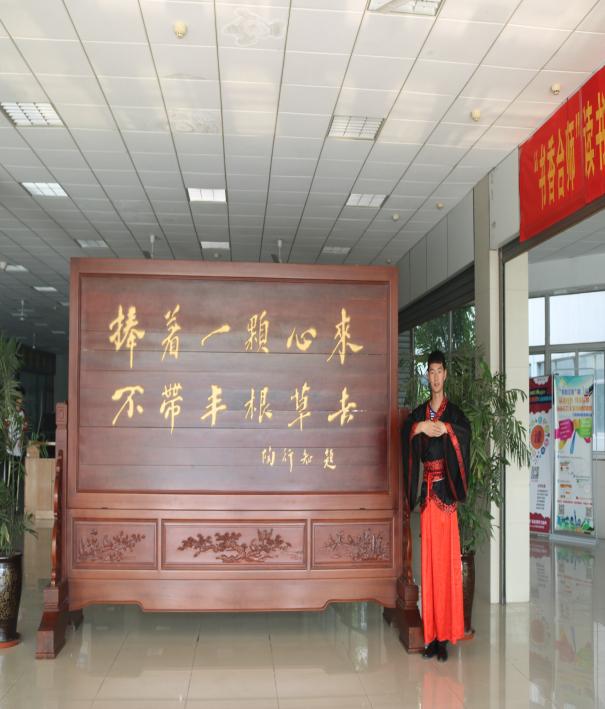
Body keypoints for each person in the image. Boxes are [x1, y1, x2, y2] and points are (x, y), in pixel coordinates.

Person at [402, 350, 470, 662]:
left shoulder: (454, 414)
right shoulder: (419, 413)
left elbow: (466, 434)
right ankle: (431, 636)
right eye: (431, 372)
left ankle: (445, 636)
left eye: (439, 371)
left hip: (446, 495)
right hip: (428, 496)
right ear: (426, 376)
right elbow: (405, 432)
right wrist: (419, 428)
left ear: (446, 374)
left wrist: (447, 430)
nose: (435, 377)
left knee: (445, 565)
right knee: (428, 566)